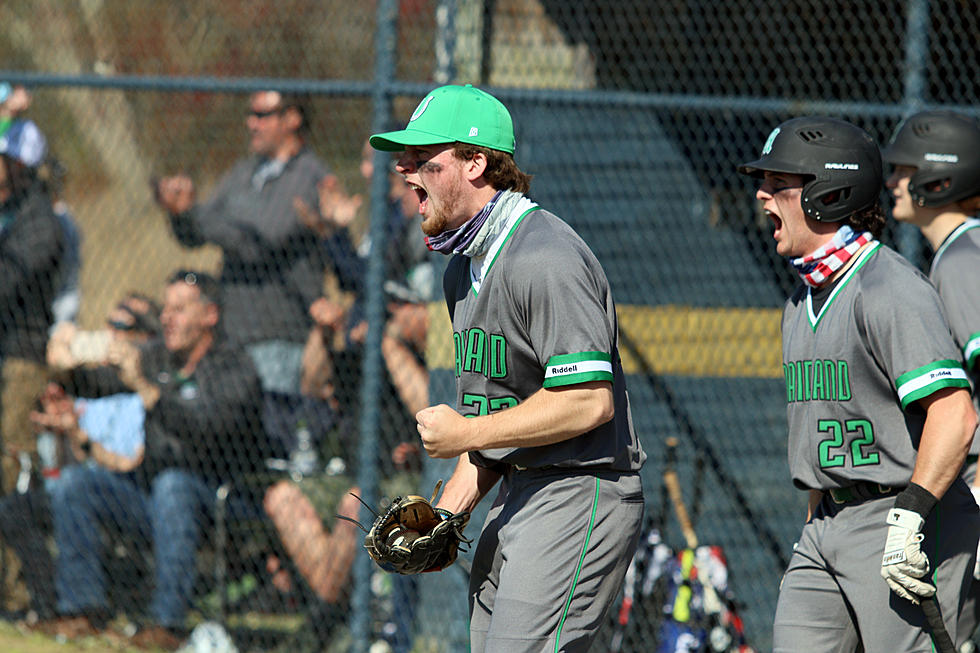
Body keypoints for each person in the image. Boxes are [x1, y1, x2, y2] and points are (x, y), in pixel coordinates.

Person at [369, 83, 646, 652]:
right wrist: (447, 513)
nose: (403, 168)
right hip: (519, 492)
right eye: (406, 157)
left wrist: (467, 434)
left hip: (580, 489)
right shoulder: (460, 269)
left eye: (424, 159)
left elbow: (588, 400)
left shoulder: (545, 256)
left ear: (477, 163)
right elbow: (501, 420)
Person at [736, 116, 980, 651]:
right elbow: (823, 440)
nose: (762, 195)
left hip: (903, 518)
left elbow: (955, 413)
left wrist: (909, 517)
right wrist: (814, 535)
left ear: (830, 192)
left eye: (780, 185)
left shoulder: (887, 287)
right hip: (826, 525)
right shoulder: (799, 301)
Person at [44, 270, 265, 651]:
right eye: (166, 308)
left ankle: (166, 621)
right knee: (74, 484)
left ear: (210, 315)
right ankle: (83, 609)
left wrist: (150, 393)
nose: (166, 317)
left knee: (173, 484)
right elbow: (99, 385)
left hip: (219, 496)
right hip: (151, 496)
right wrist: (66, 367)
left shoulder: (235, 367)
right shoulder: (157, 356)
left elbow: (210, 429)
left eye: (179, 309)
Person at [154, 91, 359, 394]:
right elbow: (197, 234)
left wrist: (198, 215)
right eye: (250, 115)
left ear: (292, 118)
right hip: (231, 331)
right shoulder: (244, 172)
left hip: (278, 335)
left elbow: (260, 242)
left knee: (272, 430)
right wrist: (180, 213)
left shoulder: (309, 176)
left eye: (262, 115)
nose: (251, 124)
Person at [0, 292, 159, 626]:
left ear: (145, 337)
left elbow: (125, 464)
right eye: (107, 324)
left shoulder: (147, 394)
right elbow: (56, 361)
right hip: (80, 489)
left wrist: (80, 436)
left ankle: (84, 608)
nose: (108, 335)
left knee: (74, 487)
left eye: (121, 325)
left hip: (131, 495)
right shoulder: (94, 387)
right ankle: (46, 607)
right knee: (15, 508)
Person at [883, 110, 980, 489]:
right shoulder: (964, 248)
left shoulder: (961, 259)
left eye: (904, 171)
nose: (891, 182)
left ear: (939, 178)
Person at [0, 118, 66, 493]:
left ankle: (16, 549)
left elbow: (8, 280)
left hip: (20, 355)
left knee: (12, 456)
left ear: (17, 165)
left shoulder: (40, 221)